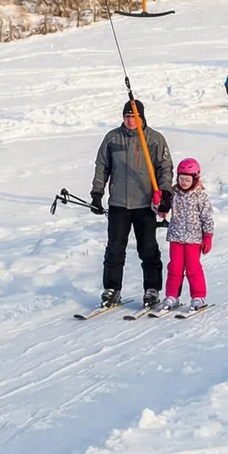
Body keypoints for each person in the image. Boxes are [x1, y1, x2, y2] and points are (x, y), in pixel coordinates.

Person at [91, 99, 174, 310]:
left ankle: (152, 289)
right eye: (127, 117)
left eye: (134, 117)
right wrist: (97, 192)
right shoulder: (112, 138)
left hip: (145, 204)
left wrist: (165, 194)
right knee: (115, 249)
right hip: (119, 203)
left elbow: (165, 168)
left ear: (142, 117)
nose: (130, 121)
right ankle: (112, 289)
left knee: (148, 248)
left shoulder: (154, 140)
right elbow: (102, 166)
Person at [162, 157, 214, 312]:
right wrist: (159, 203)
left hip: (194, 238)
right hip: (176, 237)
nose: (183, 182)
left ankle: (198, 296)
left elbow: (207, 218)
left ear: (195, 178)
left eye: (187, 179)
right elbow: (162, 209)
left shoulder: (201, 197)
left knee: (193, 268)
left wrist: (208, 236)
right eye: (181, 179)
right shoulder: (173, 193)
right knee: (175, 268)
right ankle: (172, 296)